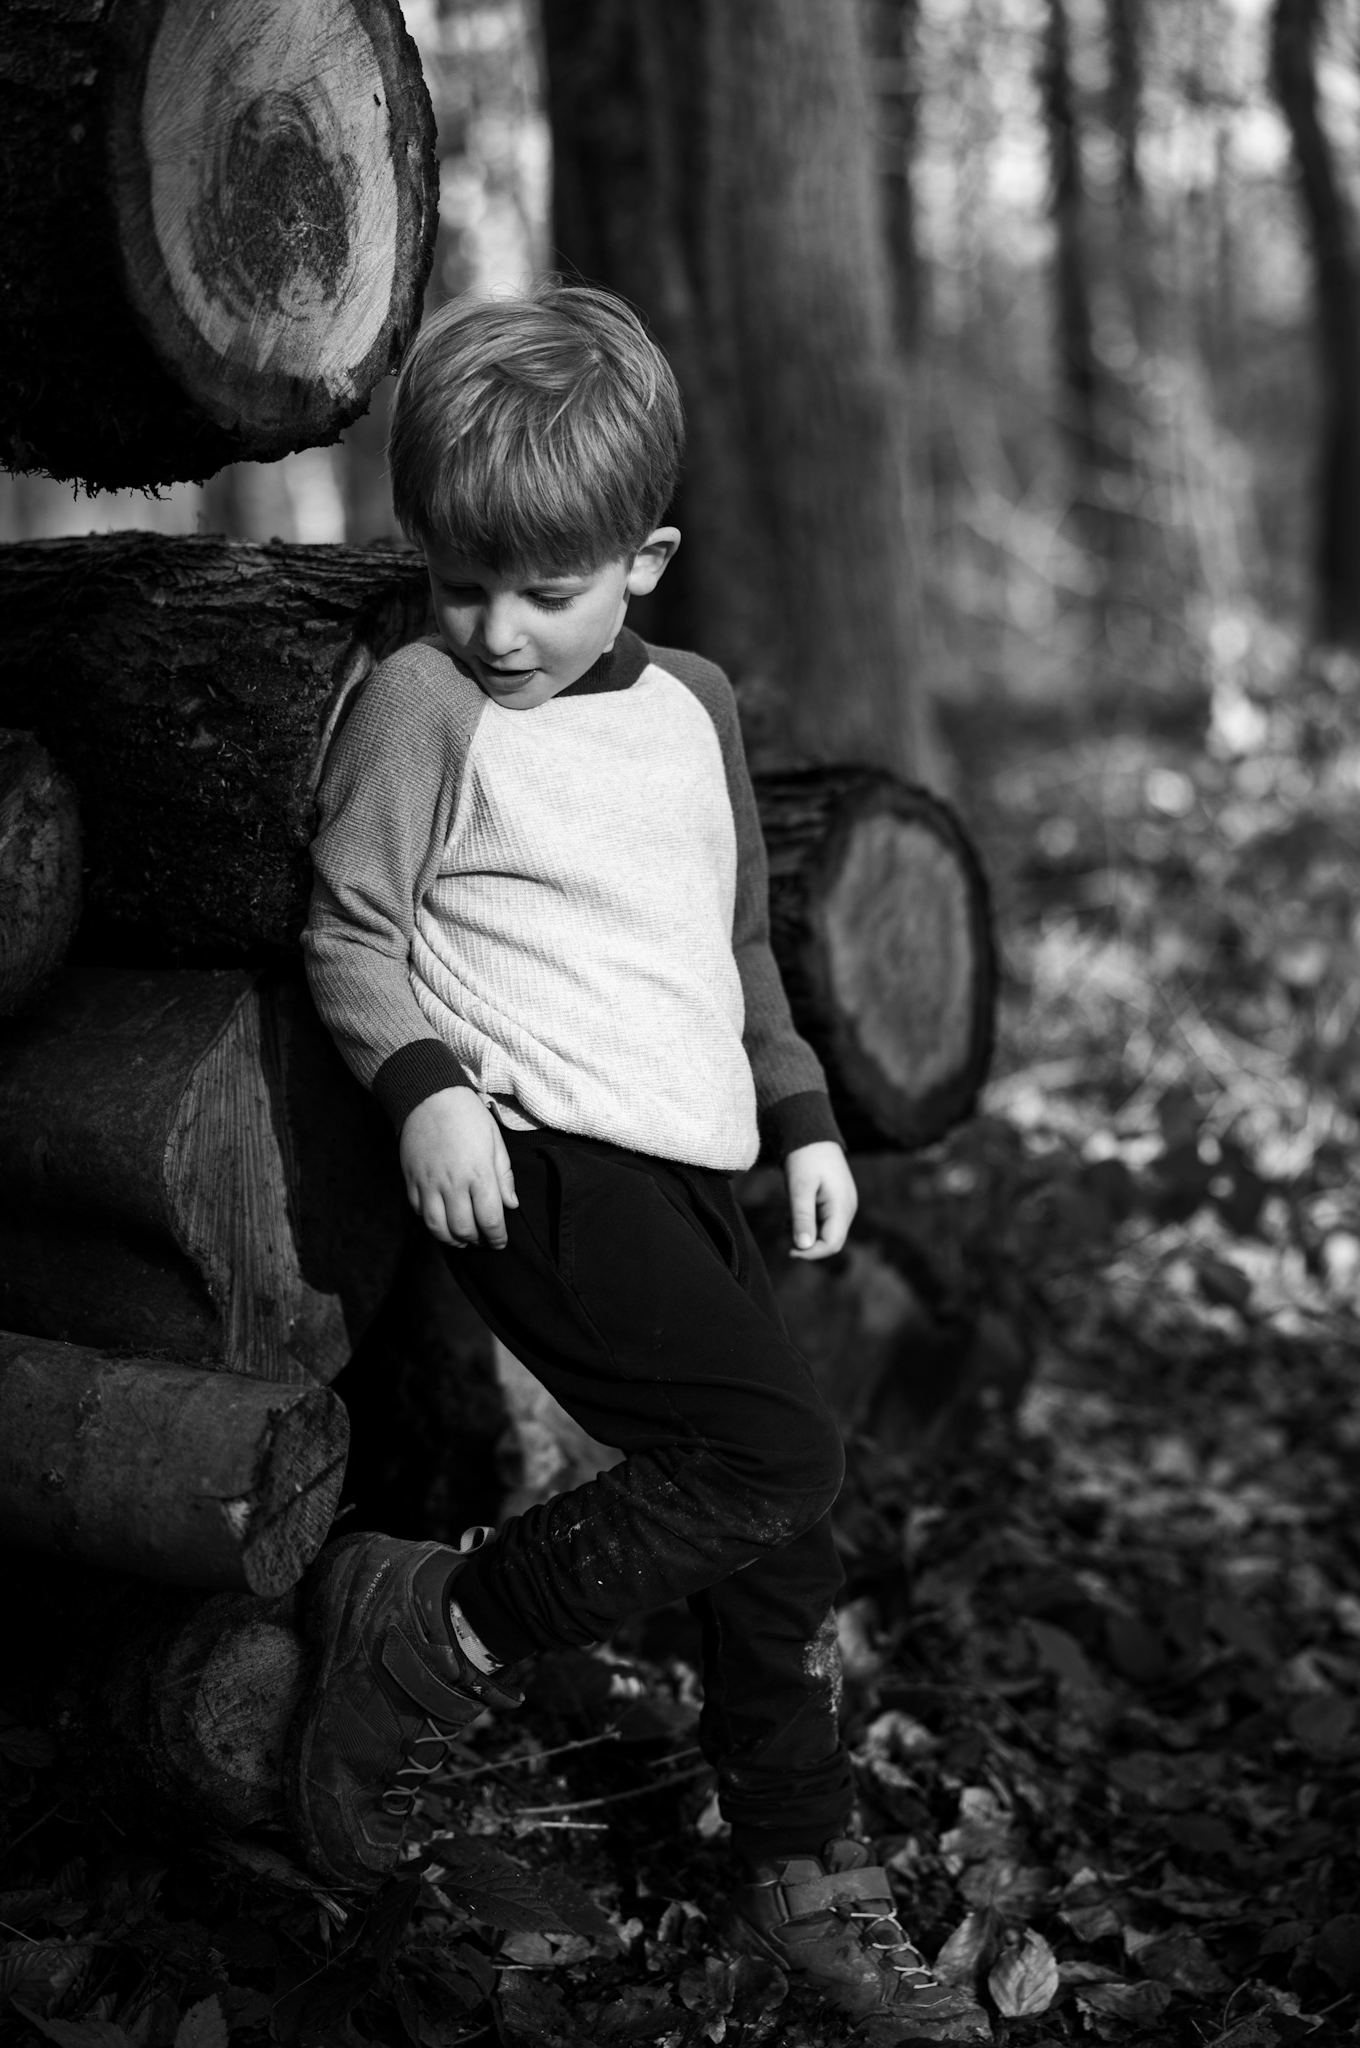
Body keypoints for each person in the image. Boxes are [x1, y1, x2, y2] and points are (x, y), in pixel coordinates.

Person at [295, 280, 987, 2037]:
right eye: (462, 582)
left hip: (693, 1156)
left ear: (647, 555)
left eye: (547, 587)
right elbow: (352, 936)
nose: (501, 628)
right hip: (531, 1156)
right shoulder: (422, 708)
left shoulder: (691, 707)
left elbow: (733, 941)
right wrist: (428, 1089)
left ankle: (793, 1863)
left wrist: (807, 1110)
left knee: (779, 1522)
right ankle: (440, 1631)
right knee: (771, 1447)